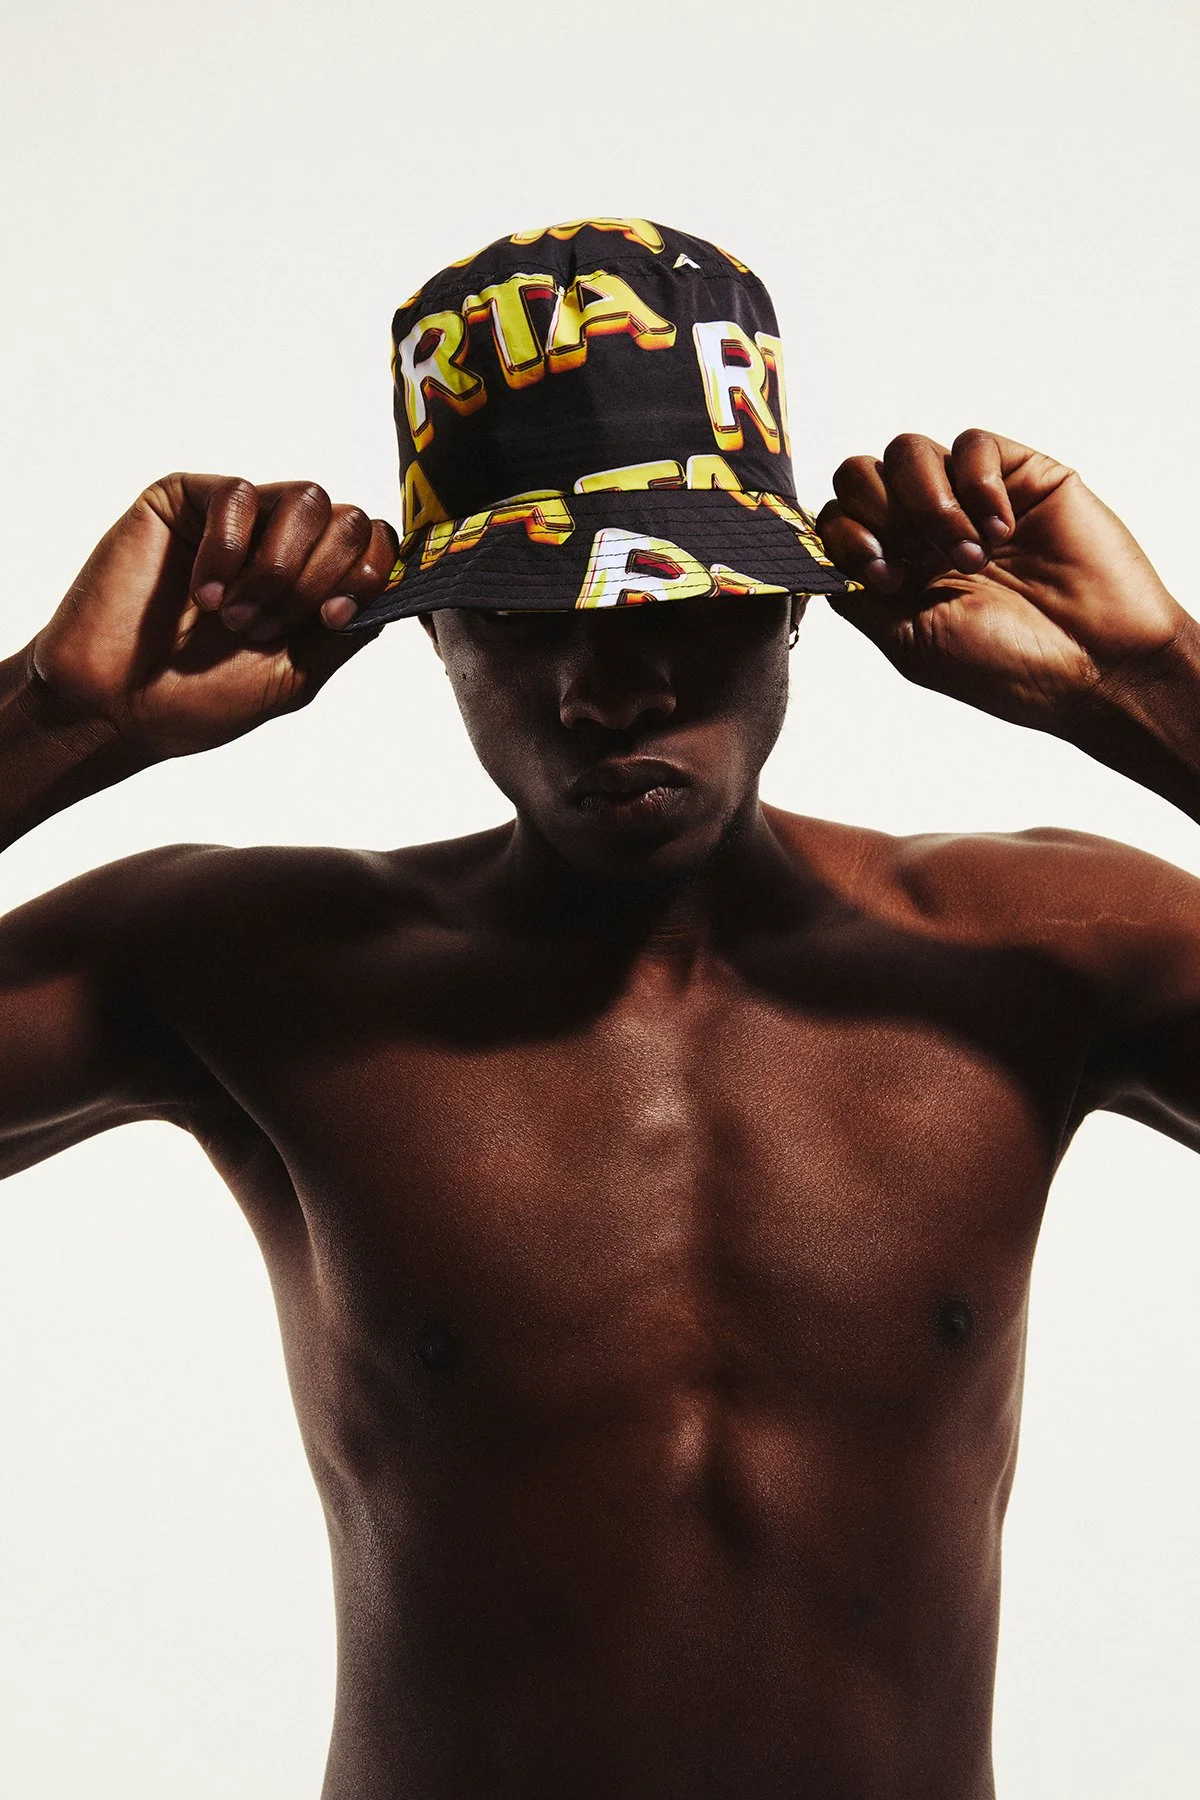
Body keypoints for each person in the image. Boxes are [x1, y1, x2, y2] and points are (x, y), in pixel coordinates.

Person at [2, 217, 1198, 1800]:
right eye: (520, 612)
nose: (605, 690)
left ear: (794, 601)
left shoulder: (1043, 951)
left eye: (674, 599)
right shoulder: (264, 970)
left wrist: (1150, 684)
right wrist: (54, 720)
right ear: (425, 630)